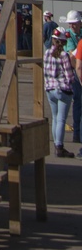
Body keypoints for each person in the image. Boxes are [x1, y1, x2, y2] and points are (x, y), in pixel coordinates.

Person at [45, 26, 76, 156]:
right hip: (62, 89)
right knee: (62, 120)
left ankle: (56, 145)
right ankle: (59, 146)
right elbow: (69, 76)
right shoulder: (63, 55)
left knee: (55, 118)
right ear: (63, 41)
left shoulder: (46, 52)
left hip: (49, 89)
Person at [65, 9, 82, 143]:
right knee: (78, 103)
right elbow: (72, 56)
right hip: (76, 73)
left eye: (74, 23)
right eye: (70, 24)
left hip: (79, 68)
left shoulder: (79, 34)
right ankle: (77, 134)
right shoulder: (69, 36)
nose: (71, 26)